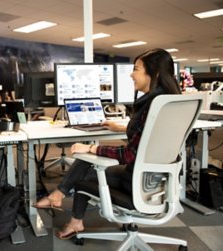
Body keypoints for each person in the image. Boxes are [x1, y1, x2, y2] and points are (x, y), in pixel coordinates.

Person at [33, 48, 181, 239]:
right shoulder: (170, 103)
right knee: (86, 162)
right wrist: (121, 128)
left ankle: (67, 208)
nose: (131, 74)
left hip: (137, 182)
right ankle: (62, 202)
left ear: (155, 74)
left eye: (136, 69)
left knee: (84, 166)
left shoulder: (151, 105)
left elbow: (129, 154)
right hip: (159, 180)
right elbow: (150, 136)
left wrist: (92, 147)